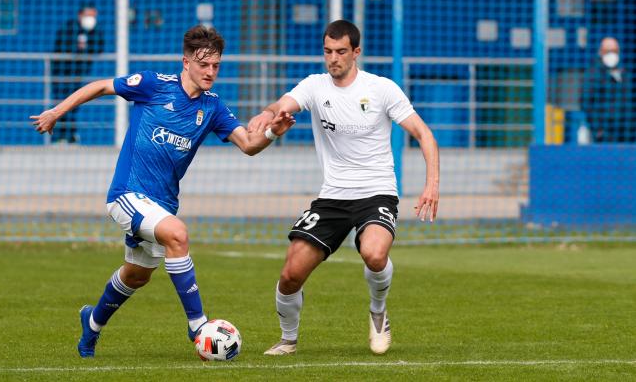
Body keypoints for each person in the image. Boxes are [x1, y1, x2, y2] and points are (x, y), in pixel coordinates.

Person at [31, 25, 295, 358]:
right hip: (126, 194)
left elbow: (248, 144)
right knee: (177, 235)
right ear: (186, 62)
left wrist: (272, 131)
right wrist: (57, 111)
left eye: (216, 66)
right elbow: (100, 86)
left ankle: (92, 323)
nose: (210, 72)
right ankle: (198, 325)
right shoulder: (154, 85)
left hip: (162, 203)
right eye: (204, 65)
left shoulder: (213, 107)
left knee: (136, 275)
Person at [248, 20, 440, 356]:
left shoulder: (382, 89)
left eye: (340, 52)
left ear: (356, 52)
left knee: (374, 254)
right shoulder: (315, 86)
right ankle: (288, 339)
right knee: (291, 274)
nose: (332, 58)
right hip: (332, 198)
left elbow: (424, 134)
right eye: (327, 51)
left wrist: (432, 185)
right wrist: (266, 115)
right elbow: (284, 103)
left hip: (377, 191)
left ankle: (378, 313)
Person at [51, 4, 105, 143]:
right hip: (62, 73)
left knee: (76, 102)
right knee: (62, 102)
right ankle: (60, 136)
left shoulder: (94, 31)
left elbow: (99, 48)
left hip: (79, 74)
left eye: (93, 16)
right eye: (88, 15)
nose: (91, 19)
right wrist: (76, 47)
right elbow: (61, 46)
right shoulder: (69, 28)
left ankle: (71, 135)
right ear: (80, 15)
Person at [581, 37, 634, 143]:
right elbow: (586, 102)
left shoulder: (625, 73)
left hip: (626, 131)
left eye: (614, 51)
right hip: (604, 130)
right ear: (601, 52)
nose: (611, 54)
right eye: (608, 51)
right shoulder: (593, 74)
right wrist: (597, 128)